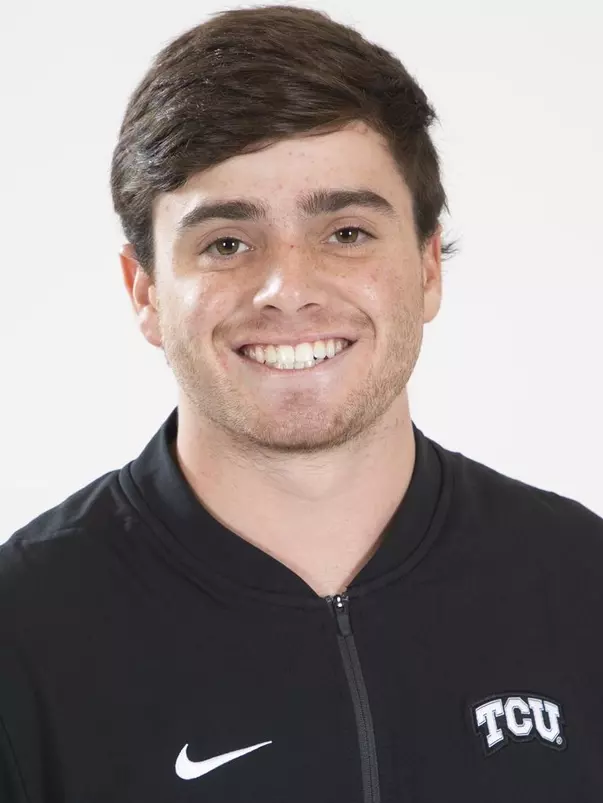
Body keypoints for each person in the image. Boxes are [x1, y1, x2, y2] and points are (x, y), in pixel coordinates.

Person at [1, 5, 602, 802]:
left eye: (346, 232)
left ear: (427, 269)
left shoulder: (578, 580)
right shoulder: (24, 632)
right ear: (143, 292)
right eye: (225, 242)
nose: (288, 290)